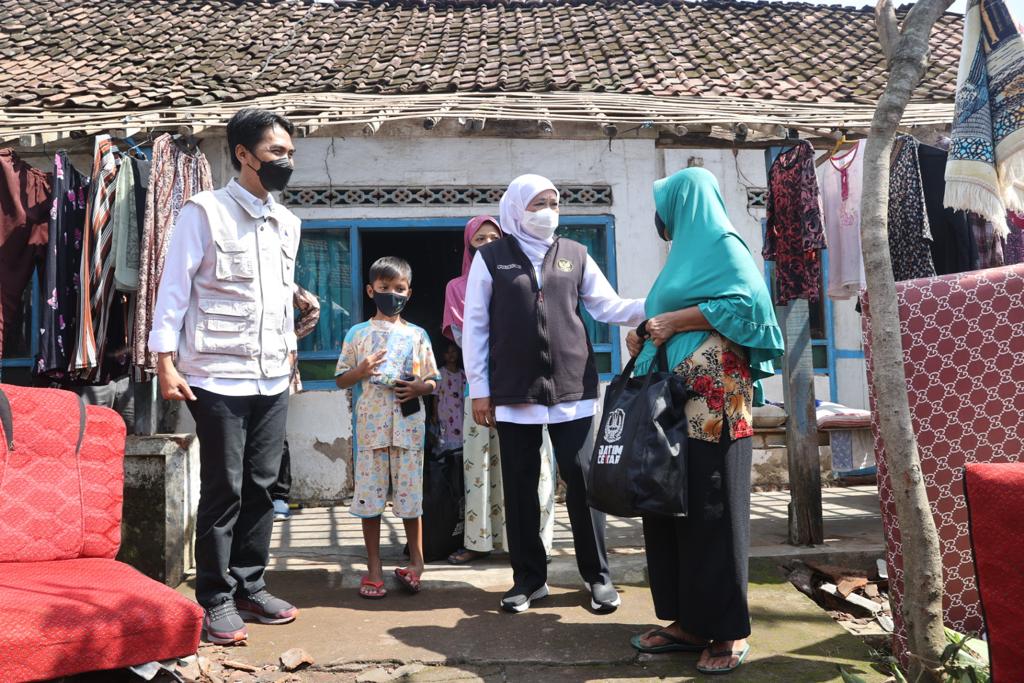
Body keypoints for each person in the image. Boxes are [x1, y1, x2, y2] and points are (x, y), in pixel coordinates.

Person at [149, 108, 302, 644]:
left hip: (271, 373)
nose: (286, 161)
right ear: (243, 154)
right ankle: (213, 597)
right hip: (216, 373)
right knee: (226, 485)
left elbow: (276, 298)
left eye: (289, 153)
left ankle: (249, 585)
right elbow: (173, 291)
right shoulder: (204, 212)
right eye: (276, 152)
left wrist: (292, 351)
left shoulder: (288, 222)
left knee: (265, 484)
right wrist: (164, 362)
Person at [463, 174, 646, 613]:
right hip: (514, 391)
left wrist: (658, 302)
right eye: (538, 203)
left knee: (584, 483)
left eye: (553, 202)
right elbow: (476, 327)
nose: (548, 210)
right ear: (516, 208)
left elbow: (607, 306)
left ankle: (598, 577)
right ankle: (529, 580)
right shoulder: (492, 258)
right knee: (521, 489)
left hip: (573, 389)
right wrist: (480, 389)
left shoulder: (575, 254)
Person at [625, 167, 783, 675]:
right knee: (672, 505)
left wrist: (675, 321)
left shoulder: (724, 244)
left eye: (666, 204)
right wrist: (647, 333)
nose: (660, 217)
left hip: (713, 405)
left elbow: (750, 305)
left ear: (686, 203)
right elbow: (668, 315)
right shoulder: (682, 256)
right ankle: (691, 621)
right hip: (672, 404)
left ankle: (729, 629)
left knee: (713, 509)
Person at [441, 215, 557, 566]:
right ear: (469, 245)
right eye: (480, 239)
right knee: (481, 464)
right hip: (481, 385)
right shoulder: (457, 288)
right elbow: (466, 337)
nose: (488, 244)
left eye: (495, 237)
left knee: (532, 463)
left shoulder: (524, 278)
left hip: (525, 383)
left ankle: (534, 542)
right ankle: (478, 541)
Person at [335, 256, 440, 599]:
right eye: (384, 289)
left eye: (399, 289)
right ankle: (374, 567)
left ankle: (417, 564)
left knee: (410, 500)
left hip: (408, 427)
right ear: (370, 291)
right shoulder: (357, 334)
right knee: (370, 500)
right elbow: (340, 380)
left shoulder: (417, 335)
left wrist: (419, 388)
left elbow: (432, 381)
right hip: (371, 429)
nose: (391, 295)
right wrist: (362, 369)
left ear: (408, 293)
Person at [272, 284, 321, 522]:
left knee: (275, 435)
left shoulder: (281, 282)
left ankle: (279, 496)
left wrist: (291, 334)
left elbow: (313, 306)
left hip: (278, 369)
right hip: (240, 370)